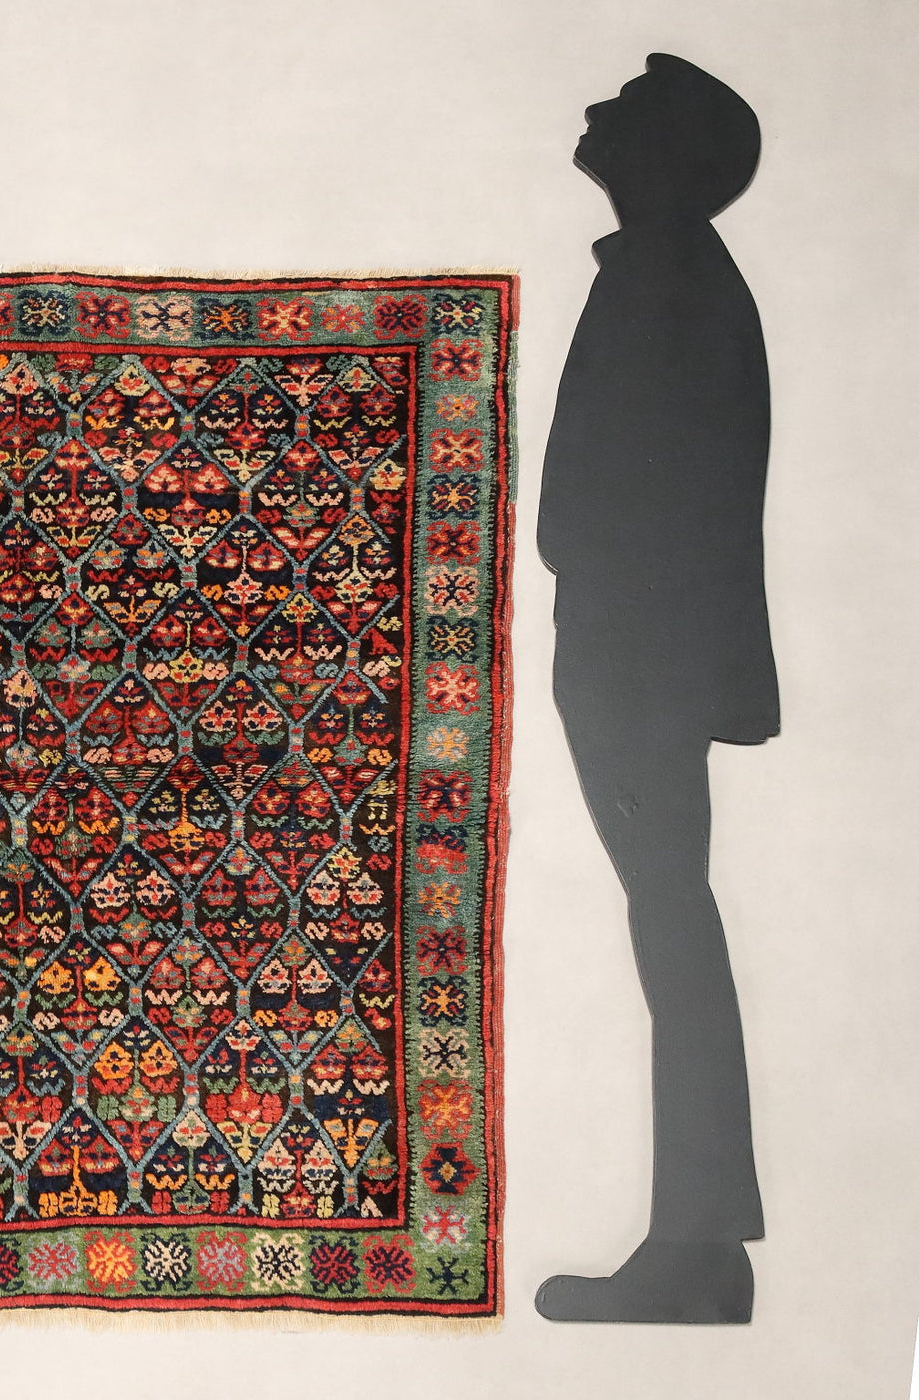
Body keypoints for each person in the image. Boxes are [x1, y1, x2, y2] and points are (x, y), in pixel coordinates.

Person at [535, 53, 779, 1323]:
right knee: (670, 918)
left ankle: (696, 1243)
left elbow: (665, 493)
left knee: (671, 920)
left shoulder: (670, 278)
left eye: (626, 108)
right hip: (638, 648)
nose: (595, 113)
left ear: (669, 153)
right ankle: (699, 1238)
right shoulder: (667, 273)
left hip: (637, 654)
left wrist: (609, 617)